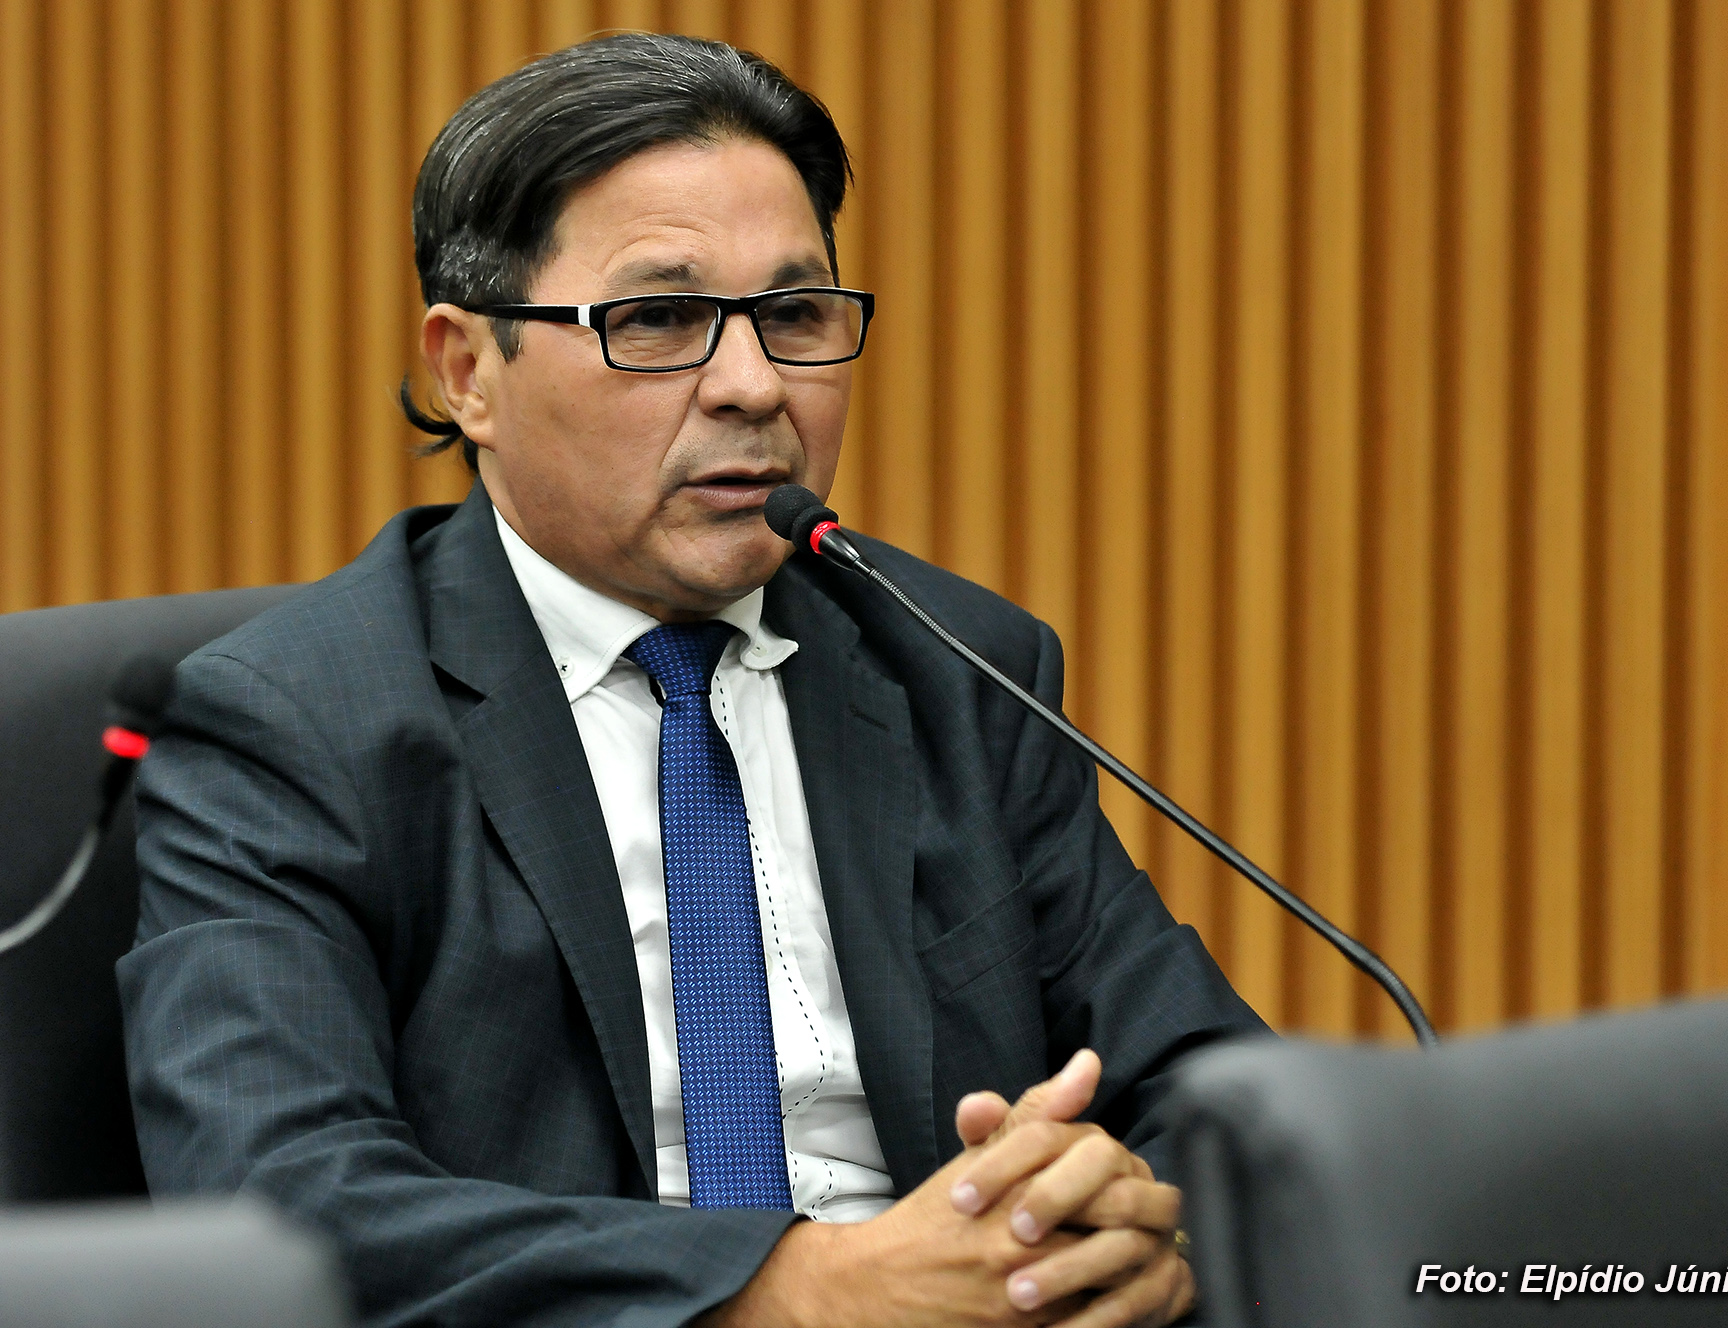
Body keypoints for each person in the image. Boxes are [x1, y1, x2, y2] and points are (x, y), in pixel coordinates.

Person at [118, 32, 1265, 1328]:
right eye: (658, 320)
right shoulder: (292, 725)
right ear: (469, 372)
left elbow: (1213, 1096)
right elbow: (278, 1205)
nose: (753, 386)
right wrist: (805, 1291)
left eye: (796, 315)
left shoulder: (951, 663)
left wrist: (1143, 1231)